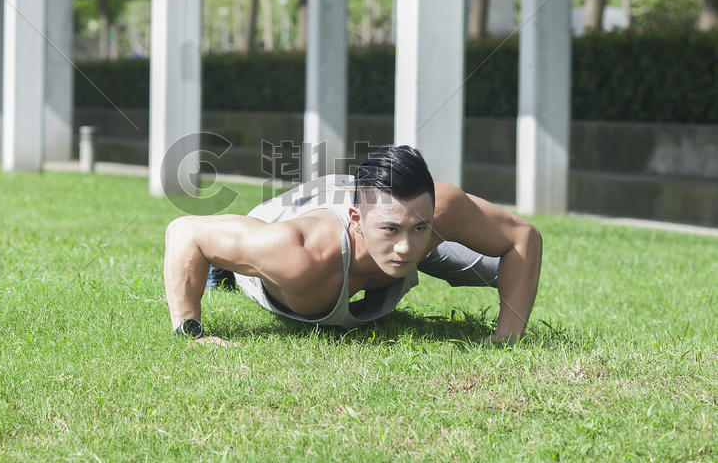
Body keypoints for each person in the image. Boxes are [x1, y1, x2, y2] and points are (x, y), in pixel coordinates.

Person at [164, 145, 542, 345]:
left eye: (420, 229)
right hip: (292, 222)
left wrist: (507, 337)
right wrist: (189, 329)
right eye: (391, 231)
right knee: (245, 260)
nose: (406, 248)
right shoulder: (295, 253)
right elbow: (184, 232)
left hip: (370, 201)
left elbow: (523, 238)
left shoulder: (439, 212)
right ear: (359, 222)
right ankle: (224, 270)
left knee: (508, 271)